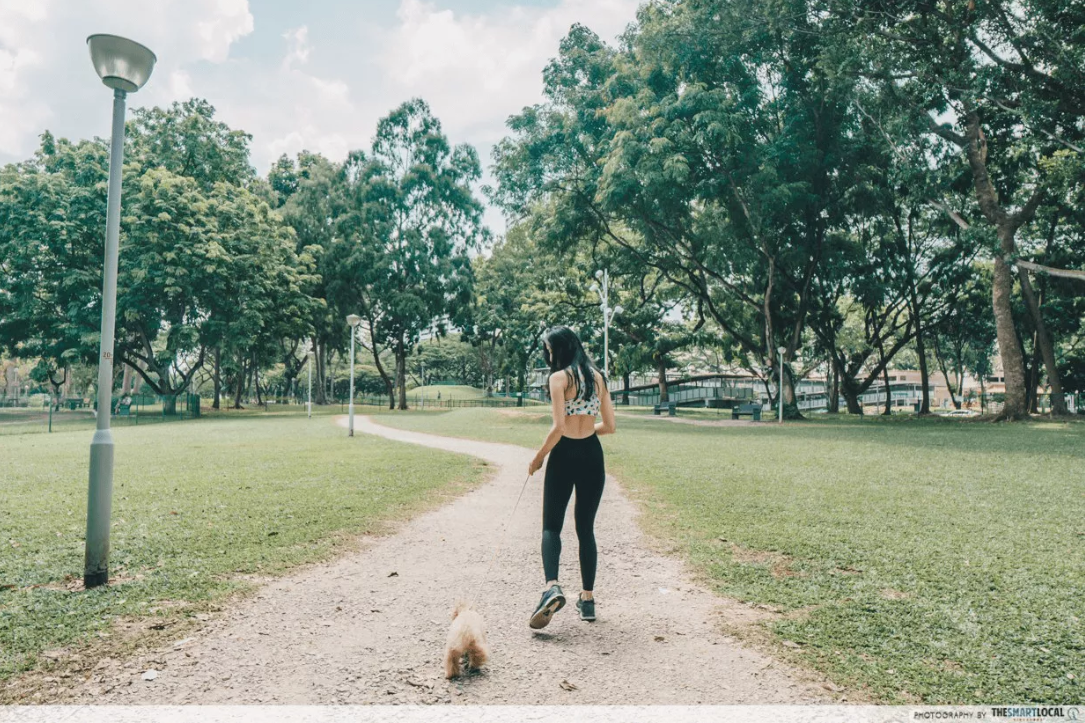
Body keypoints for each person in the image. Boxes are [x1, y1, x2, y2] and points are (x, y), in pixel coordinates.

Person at [527, 326, 616, 629]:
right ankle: (587, 600)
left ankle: (552, 586)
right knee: (585, 528)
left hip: (564, 455)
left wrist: (538, 458)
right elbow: (610, 426)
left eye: (550, 350)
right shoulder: (598, 378)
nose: (549, 354)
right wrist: (588, 431)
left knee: (551, 526)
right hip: (592, 454)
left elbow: (558, 428)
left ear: (560, 349)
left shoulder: (558, 378)